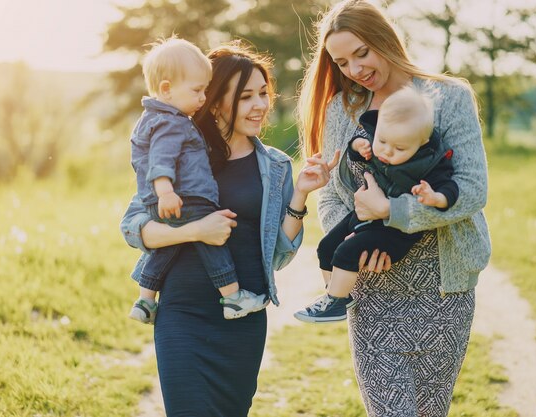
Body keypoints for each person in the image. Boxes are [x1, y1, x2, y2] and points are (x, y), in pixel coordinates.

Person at [120, 41, 336, 416]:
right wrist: (196, 231)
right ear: (216, 100)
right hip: (183, 313)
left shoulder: (276, 166)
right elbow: (134, 229)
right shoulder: (177, 150)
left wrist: (300, 194)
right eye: (246, 96)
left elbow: (280, 255)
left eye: (263, 94)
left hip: (244, 315)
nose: (260, 106)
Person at [297, 1, 491, 415]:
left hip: (443, 290)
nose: (355, 69)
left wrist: (391, 211)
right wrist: (358, 240)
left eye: (362, 52)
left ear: (385, 39)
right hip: (372, 291)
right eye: (342, 61)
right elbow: (333, 196)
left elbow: (471, 191)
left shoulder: (449, 97)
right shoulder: (342, 109)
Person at [128, 37, 268, 325]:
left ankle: (144, 300)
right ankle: (232, 297)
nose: (202, 99)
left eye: (205, 90)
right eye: (197, 90)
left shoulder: (152, 118)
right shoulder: (171, 122)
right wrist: (170, 196)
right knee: (212, 243)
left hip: (170, 199)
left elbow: (278, 248)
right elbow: (160, 161)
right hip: (187, 199)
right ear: (166, 89)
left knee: (166, 249)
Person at [295, 85, 459, 323]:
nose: (387, 152)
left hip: (395, 232)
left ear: (421, 143)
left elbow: (450, 189)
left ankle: (335, 303)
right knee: (326, 247)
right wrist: (356, 148)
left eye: (399, 148)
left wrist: (435, 198)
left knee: (346, 252)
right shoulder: (377, 138)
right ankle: (335, 295)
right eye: (382, 141)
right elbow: (355, 156)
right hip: (364, 215)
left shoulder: (430, 162)